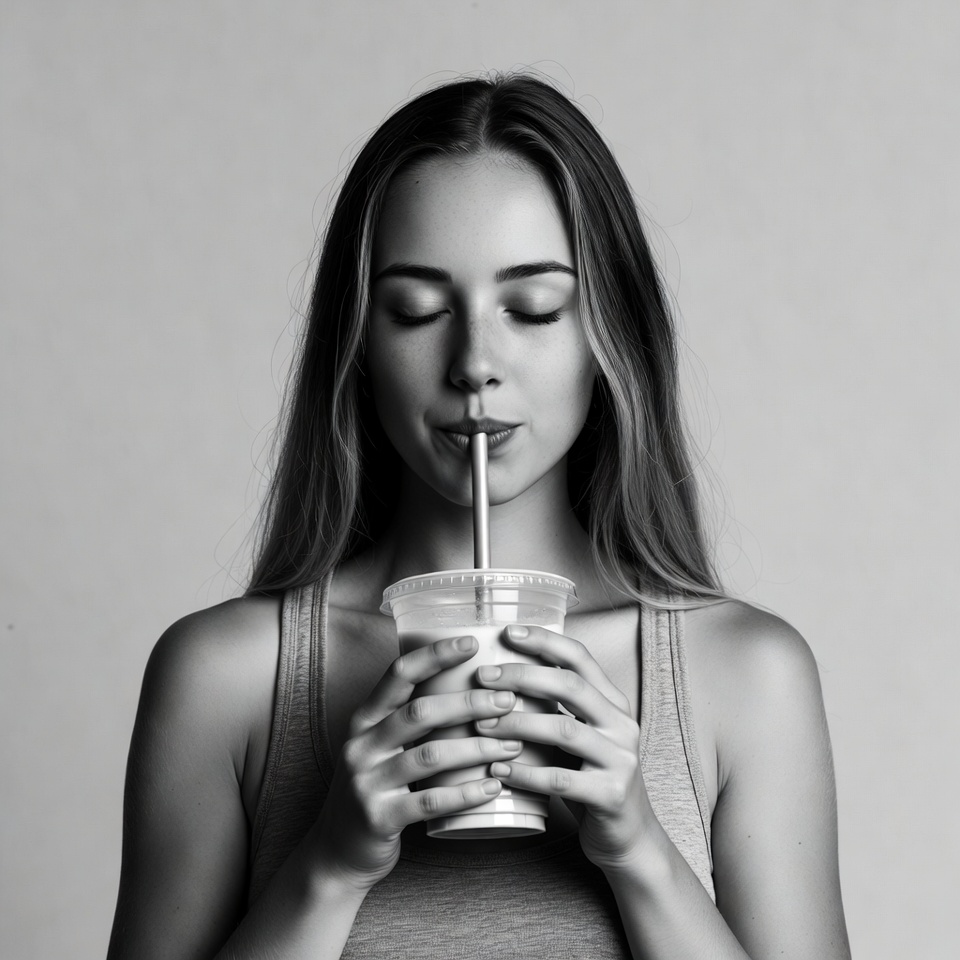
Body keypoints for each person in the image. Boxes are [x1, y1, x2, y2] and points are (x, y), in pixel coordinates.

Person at [107, 73, 851, 959]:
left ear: (609, 336)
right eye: (417, 311)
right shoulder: (226, 680)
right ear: (358, 346)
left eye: (533, 308)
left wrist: (640, 851)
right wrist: (333, 864)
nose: (473, 363)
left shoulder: (743, 677)